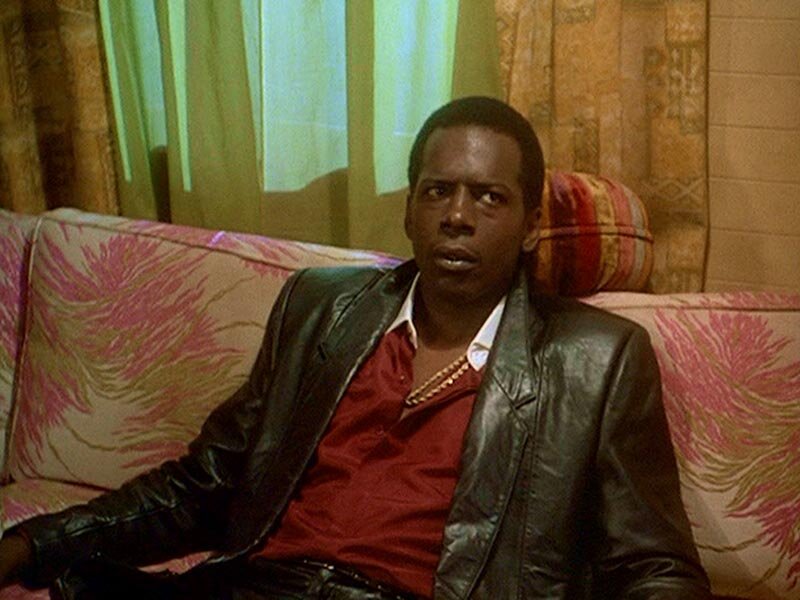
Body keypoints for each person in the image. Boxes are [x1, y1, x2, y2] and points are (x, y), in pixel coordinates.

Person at [0, 97, 711, 599]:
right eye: (437, 191)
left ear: (530, 225)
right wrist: (31, 544)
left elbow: (654, 568)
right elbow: (204, 485)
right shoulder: (320, 310)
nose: (457, 216)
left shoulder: (597, 361)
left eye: (489, 198)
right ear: (409, 209)